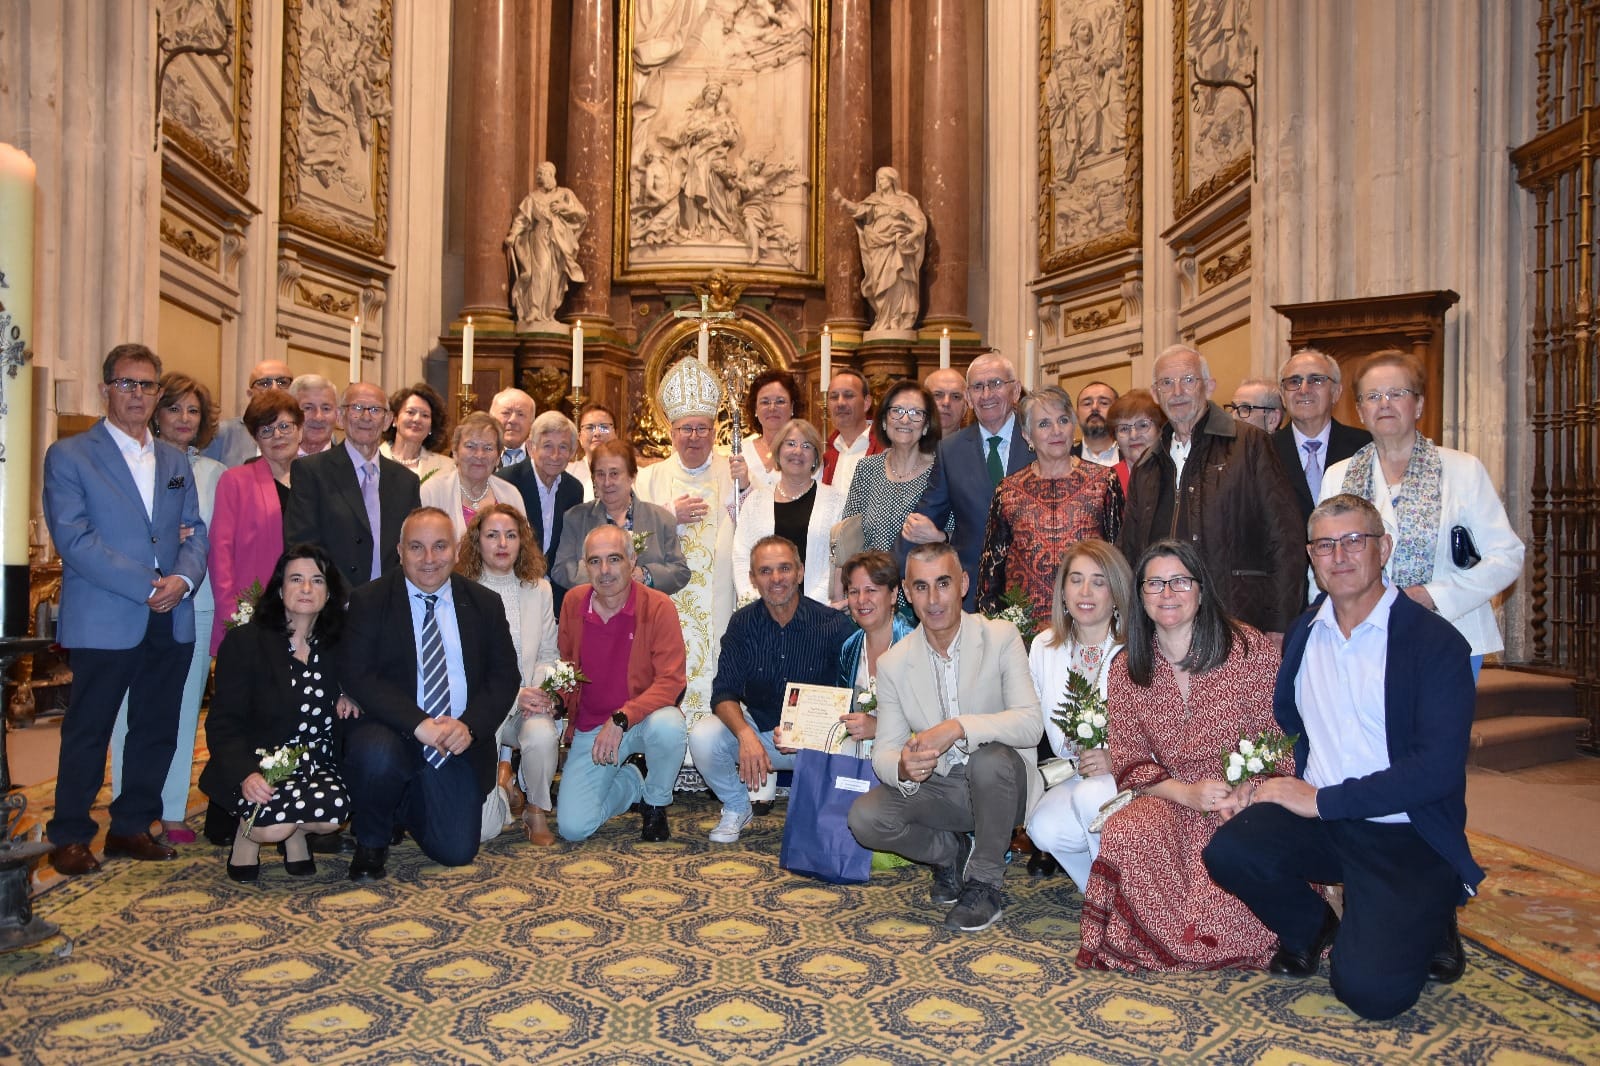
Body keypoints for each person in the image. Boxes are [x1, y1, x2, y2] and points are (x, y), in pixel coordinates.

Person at [1203, 494, 1481, 1020]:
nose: (1341, 555)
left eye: (1355, 540)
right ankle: (1314, 926)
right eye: (1326, 545)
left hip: (1403, 832)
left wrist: (1323, 800)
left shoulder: (1436, 644)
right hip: (1326, 823)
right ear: (1312, 556)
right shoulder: (1305, 634)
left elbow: (1436, 771)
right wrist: (1264, 784)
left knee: (1370, 995)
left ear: (1384, 548)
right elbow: (1292, 725)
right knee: (1231, 850)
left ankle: (1433, 909)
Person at [1077, 540, 1287, 972]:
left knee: (1231, 847)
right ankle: (1156, 941)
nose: (1167, 593)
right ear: (1139, 595)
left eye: (1179, 582)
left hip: (1244, 794)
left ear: (1201, 589)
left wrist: (1247, 790)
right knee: (1128, 830)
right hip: (1174, 791)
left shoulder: (1249, 650)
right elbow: (1131, 760)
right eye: (1154, 584)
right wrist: (1186, 794)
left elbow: (1280, 740)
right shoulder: (1129, 666)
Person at [42, 344, 209, 875]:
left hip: (171, 614)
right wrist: (148, 584)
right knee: (89, 729)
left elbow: (195, 531)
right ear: (105, 389)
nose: (136, 395)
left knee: (157, 726)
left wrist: (183, 579)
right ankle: (69, 833)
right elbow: (76, 540)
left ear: (158, 393)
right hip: (106, 615)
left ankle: (132, 825)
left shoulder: (175, 459)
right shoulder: (70, 455)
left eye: (146, 385)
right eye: (125, 384)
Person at [847, 542, 1043, 933]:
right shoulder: (894, 664)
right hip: (945, 787)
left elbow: (1029, 724)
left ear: (964, 584)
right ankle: (950, 854)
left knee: (989, 760)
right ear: (906, 591)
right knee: (865, 818)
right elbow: (884, 751)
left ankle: (985, 884)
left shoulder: (1001, 637)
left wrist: (959, 727)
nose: (933, 599)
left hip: (1005, 786)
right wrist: (902, 767)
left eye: (943, 583)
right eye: (921, 587)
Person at [337, 508, 521, 880]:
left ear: (456, 551)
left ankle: (402, 804)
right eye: (416, 548)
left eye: (439, 547)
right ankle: (372, 841)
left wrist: (469, 727)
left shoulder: (484, 604)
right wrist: (418, 723)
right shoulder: (369, 601)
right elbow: (358, 674)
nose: (429, 559)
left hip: (456, 741)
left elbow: (504, 678)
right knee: (376, 756)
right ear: (399, 551)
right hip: (391, 732)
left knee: (455, 852)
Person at [1319, 350, 1525, 677]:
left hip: (1449, 634)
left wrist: (1433, 595)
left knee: (1439, 729)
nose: (1384, 403)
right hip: (1361, 640)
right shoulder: (1338, 476)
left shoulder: (1463, 470)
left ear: (1418, 405)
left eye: (1396, 393)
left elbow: (1507, 556)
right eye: (1373, 396)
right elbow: (1324, 557)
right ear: (1360, 411)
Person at [106, 372, 223, 845]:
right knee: (126, 713)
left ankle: (171, 809)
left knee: (177, 711)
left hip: (194, 602)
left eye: (193, 411)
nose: (184, 419)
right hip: (131, 599)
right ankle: (127, 807)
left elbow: (206, 538)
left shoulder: (216, 473)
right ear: (156, 411)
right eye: (174, 408)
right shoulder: (135, 463)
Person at [1118, 344, 1304, 637]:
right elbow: (1129, 553)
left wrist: (1280, 625)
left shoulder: (1249, 445)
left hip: (1237, 620)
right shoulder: (1147, 465)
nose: (1177, 391)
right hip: (1164, 628)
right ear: (1155, 395)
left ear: (1209, 386)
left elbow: (1285, 539)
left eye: (1188, 380)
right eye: (1166, 382)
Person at [203, 545, 351, 882]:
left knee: (330, 818)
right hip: (261, 766)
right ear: (280, 588)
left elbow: (364, 682)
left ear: (329, 594)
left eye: (317, 580)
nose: (306, 588)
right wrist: (245, 774)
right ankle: (251, 834)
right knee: (272, 828)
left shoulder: (336, 646)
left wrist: (349, 695)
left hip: (315, 763)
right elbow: (223, 722)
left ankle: (293, 831)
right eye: (296, 579)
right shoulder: (245, 642)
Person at [690, 536, 852, 843]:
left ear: (800, 572)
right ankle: (738, 805)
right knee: (703, 736)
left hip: (815, 742)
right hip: (761, 731)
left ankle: (820, 809)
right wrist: (745, 735)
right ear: (752, 579)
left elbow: (851, 694)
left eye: (784, 569)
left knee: (817, 833)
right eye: (765, 571)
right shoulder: (742, 624)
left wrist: (812, 733)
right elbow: (723, 692)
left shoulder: (833, 625)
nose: (776, 579)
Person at [555, 526, 690, 842]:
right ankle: (632, 780)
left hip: (641, 721)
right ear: (584, 566)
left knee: (670, 725)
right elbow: (567, 671)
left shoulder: (659, 606)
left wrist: (621, 719)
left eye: (614, 559)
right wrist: (554, 700)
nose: (604, 571)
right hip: (593, 726)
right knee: (574, 828)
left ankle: (655, 803)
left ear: (632, 561)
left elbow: (671, 682)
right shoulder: (573, 602)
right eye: (595, 561)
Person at [635, 358, 742, 738]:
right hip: (665, 607)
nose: (693, 437)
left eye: (702, 428)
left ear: (715, 432)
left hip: (719, 601)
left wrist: (747, 491)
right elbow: (628, 539)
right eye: (685, 429)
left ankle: (712, 747)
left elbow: (754, 530)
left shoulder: (733, 474)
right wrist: (668, 515)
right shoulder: (649, 478)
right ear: (671, 431)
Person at [1023, 540, 1134, 892]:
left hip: (1130, 775)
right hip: (1072, 773)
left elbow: (1161, 733)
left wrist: (1117, 758)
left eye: (1099, 581)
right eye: (1076, 580)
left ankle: (1128, 901)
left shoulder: (1135, 647)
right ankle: (1100, 897)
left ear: (1116, 593)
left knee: (1090, 799)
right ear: (1063, 590)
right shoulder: (1044, 646)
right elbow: (1028, 718)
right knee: (1042, 827)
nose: (1085, 592)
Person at [456, 503, 561, 845]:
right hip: (480, 712)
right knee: (483, 832)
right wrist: (514, 694)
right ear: (477, 542)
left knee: (544, 734)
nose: (502, 543)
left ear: (522, 542)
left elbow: (548, 652)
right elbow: (460, 667)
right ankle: (502, 788)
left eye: (511, 535)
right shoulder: (460, 589)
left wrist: (540, 690)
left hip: (525, 707)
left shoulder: (539, 589)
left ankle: (535, 810)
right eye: (492, 535)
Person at [977, 385, 1122, 623]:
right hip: (1026, 630)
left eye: (1063, 420)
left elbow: (1119, 558)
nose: (1056, 431)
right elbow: (991, 572)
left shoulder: (1104, 482)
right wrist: (993, 631)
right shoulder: (1008, 490)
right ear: (1027, 435)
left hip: (1090, 621)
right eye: (1044, 424)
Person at [902, 353, 1032, 611]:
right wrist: (883, 579)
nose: (986, 395)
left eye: (995, 384)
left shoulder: (1039, 439)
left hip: (1034, 588)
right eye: (977, 387)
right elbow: (924, 520)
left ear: (1015, 391)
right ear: (969, 399)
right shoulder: (950, 451)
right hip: (972, 593)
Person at [283, 381, 422, 589]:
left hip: (389, 601)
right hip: (333, 602)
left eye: (375, 410)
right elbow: (303, 544)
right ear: (340, 417)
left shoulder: (405, 480)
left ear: (387, 421)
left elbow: (413, 545)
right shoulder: (312, 471)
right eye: (356, 408)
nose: (366, 417)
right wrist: (346, 597)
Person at [209, 391, 303, 655]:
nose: (277, 435)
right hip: (254, 606)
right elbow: (220, 551)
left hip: (307, 605)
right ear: (255, 438)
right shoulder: (236, 481)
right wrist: (231, 612)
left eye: (285, 426)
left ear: (300, 429)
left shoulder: (315, 479)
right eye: (266, 430)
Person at [552, 438, 689, 595]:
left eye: (614, 473)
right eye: (600, 474)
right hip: (593, 613)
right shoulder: (575, 518)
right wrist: (604, 578)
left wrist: (645, 575)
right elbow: (561, 569)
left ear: (632, 476)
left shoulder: (661, 518)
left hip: (645, 614)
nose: (607, 482)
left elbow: (680, 571)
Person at [732, 419, 846, 605]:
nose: (798, 451)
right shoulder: (755, 502)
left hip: (816, 612)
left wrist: (809, 605)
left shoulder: (835, 502)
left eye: (806, 445)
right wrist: (756, 601)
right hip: (763, 613)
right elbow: (742, 555)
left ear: (816, 457)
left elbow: (837, 561)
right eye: (790, 444)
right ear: (778, 452)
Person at [839, 380, 942, 555]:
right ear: (884, 421)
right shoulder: (867, 468)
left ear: (926, 425)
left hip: (918, 580)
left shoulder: (940, 471)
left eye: (916, 413)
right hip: (869, 580)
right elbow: (848, 537)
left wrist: (938, 537)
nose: (905, 419)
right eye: (897, 411)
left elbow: (958, 535)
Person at [1272, 348, 1370, 523]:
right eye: (1294, 381)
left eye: (1316, 380)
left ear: (1336, 392)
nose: (1303, 389)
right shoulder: (1264, 451)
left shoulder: (1364, 448)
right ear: (1282, 395)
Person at [497, 410, 583, 604]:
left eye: (563, 447)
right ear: (530, 447)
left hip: (556, 593)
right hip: (513, 586)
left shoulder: (573, 489)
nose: (555, 455)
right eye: (547, 446)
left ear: (572, 451)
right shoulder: (507, 482)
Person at [835, 551, 915, 752]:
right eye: (853, 592)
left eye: (871, 590)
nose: (861, 600)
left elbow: (931, 721)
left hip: (905, 753)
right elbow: (841, 710)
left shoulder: (915, 646)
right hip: (858, 754)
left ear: (894, 594)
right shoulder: (849, 647)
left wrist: (879, 728)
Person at [831, 167, 928, 332]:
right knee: (879, 283)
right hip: (877, 247)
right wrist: (841, 201)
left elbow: (920, 221)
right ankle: (883, 318)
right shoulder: (874, 201)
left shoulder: (903, 202)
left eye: (882, 179)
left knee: (897, 280)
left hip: (896, 247)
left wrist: (913, 236)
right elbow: (857, 210)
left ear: (891, 180)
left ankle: (896, 319)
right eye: (878, 179)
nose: (879, 182)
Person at [505, 161, 588, 327]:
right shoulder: (532, 198)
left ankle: (548, 312)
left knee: (555, 276)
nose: (539, 176)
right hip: (539, 238)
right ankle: (535, 309)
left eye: (542, 173)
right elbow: (521, 220)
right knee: (540, 272)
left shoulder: (565, 194)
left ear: (551, 175)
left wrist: (565, 207)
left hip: (558, 241)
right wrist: (513, 234)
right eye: (538, 174)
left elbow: (582, 214)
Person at [420, 412, 528, 541]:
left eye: (488, 448)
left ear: (498, 457)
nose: (479, 455)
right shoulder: (433, 491)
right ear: (455, 452)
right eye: (470, 446)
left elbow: (524, 547)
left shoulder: (510, 494)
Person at [204, 357, 294, 467]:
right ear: (250, 394)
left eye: (282, 382)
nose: (275, 389)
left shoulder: (304, 431)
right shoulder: (223, 433)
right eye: (265, 383)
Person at [732, 368, 805, 490]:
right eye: (765, 402)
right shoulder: (741, 451)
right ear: (755, 409)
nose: (772, 408)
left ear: (792, 407)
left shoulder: (804, 450)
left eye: (780, 401)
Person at [822, 369, 882, 492]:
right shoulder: (828, 454)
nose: (840, 403)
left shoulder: (885, 448)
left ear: (866, 403)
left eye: (848, 395)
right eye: (834, 397)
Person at [380, 383, 452, 482]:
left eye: (425, 415)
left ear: (432, 426)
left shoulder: (447, 467)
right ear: (394, 419)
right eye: (410, 412)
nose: (417, 419)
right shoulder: (372, 459)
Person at [1106, 389, 1164, 495]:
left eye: (1142, 425)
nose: (1133, 436)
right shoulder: (1106, 483)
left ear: (1159, 430)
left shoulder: (1177, 475)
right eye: (1124, 429)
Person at [568, 403, 620, 500]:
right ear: (580, 438)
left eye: (604, 427)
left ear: (616, 434)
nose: (597, 433)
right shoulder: (568, 475)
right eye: (589, 428)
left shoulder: (633, 475)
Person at [290, 373, 340, 455]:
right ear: (291, 413)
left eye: (326, 409)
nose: (318, 417)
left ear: (337, 414)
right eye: (308, 408)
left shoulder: (352, 464)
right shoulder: (273, 462)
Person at [1071, 381, 1120, 466]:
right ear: (1077, 415)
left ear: (1118, 412)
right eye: (1087, 404)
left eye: (1104, 403)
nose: (1094, 407)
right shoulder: (1064, 460)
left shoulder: (1134, 458)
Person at [488, 387, 537, 468]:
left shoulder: (542, 459)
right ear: (491, 419)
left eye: (520, 414)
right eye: (506, 413)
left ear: (532, 423)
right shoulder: (480, 457)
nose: (513, 420)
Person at [924, 367, 970, 437]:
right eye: (937, 395)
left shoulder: (979, 446)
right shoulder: (908, 445)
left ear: (965, 408)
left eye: (955, 397)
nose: (946, 403)